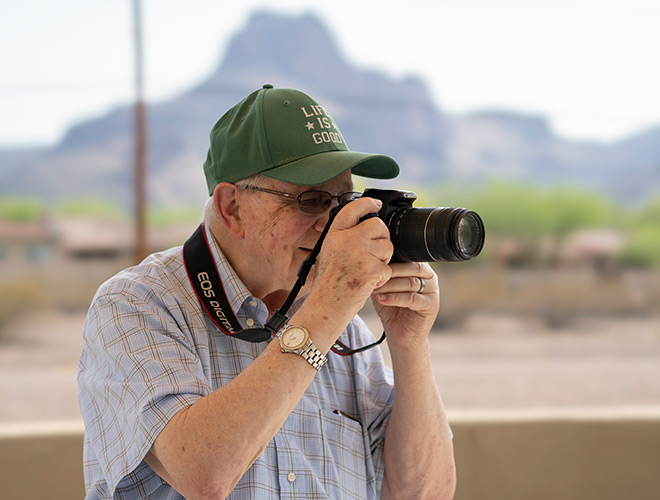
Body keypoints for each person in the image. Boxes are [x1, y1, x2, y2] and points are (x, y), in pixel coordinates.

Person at [78, 84, 456, 500]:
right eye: (311, 200)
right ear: (232, 208)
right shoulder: (138, 304)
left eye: (344, 200)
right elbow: (203, 474)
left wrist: (409, 343)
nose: (333, 223)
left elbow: (422, 494)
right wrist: (330, 304)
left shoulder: (346, 330)